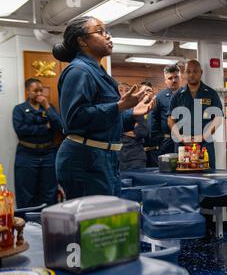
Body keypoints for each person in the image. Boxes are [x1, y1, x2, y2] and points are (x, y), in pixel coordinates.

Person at [53, 16, 154, 199]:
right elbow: (74, 118)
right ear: (82, 41)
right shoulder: (79, 71)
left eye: (107, 31)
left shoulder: (98, 72)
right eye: (100, 31)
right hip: (85, 159)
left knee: (107, 221)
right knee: (93, 224)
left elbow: (105, 122)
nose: (107, 36)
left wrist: (131, 113)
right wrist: (119, 106)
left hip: (104, 158)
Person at [12, 78, 62, 208]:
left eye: (41, 90)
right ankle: (27, 225)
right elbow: (21, 130)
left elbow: (59, 126)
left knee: (50, 193)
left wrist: (47, 107)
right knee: (26, 193)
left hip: (48, 154)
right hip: (27, 155)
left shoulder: (48, 107)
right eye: (35, 90)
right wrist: (45, 128)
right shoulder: (19, 109)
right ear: (28, 91)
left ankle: (49, 223)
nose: (39, 93)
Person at [168, 60, 223, 169]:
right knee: (184, 178)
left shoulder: (211, 94)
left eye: (195, 71)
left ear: (201, 72)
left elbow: (218, 119)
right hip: (183, 145)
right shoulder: (177, 96)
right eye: (188, 72)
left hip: (204, 145)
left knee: (208, 177)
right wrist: (180, 138)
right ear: (184, 74)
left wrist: (203, 136)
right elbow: (170, 120)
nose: (191, 74)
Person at [148, 65, 181, 161]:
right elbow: (153, 119)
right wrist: (159, 139)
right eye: (170, 78)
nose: (174, 80)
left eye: (176, 77)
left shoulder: (188, 94)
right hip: (167, 141)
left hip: (185, 140)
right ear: (165, 80)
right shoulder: (159, 97)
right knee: (167, 169)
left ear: (180, 77)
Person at [118, 83, 149, 171]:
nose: (123, 93)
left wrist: (120, 130)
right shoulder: (113, 110)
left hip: (135, 156)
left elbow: (143, 130)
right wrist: (131, 128)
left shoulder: (136, 109)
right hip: (117, 156)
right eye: (120, 90)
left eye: (127, 90)